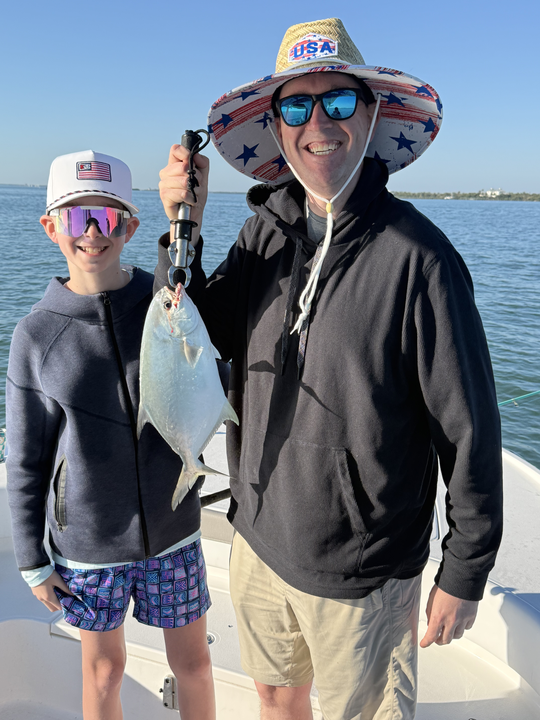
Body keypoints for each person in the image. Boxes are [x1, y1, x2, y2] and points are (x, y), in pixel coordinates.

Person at [157, 18, 503, 720]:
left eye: (339, 101)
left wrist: (464, 571)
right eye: (296, 106)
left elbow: (468, 429)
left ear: (371, 116)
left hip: (363, 571)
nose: (318, 122)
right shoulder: (263, 231)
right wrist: (180, 226)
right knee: (275, 698)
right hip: (259, 539)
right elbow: (194, 331)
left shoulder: (421, 259)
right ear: (277, 128)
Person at [6, 150, 215, 720]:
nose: (93, 232)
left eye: (107, 216)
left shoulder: (165, 303)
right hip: (88, 546)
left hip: (174, 530)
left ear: (131, 227)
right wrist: (33, 559)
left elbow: (186, 272)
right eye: (77, 218)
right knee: (104, 671)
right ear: (51, 227)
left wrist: (186, 216)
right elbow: (25, 460)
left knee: (195, 664)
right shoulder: (36, 336)